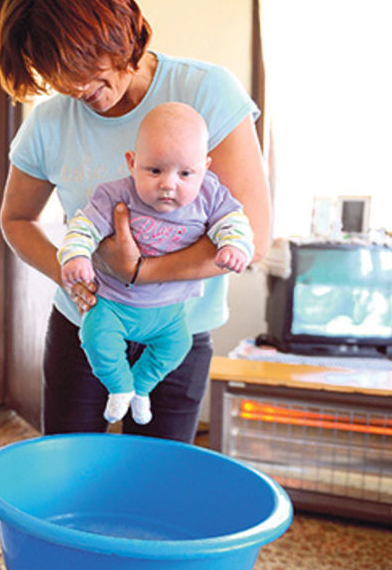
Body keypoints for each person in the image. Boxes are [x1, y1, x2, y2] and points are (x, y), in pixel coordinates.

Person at [0, 0, 271, 440]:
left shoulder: (205, 92)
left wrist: (139, 272)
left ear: (117, 31)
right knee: (69, 470)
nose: (78, 87)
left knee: (158, 487)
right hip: (86, 325)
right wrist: (71, 273)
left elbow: (256, 238)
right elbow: (16, 218)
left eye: (86, 67)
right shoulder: (49, 122)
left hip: (176, 330)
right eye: (57, 74)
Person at [59, 102, 254, 425]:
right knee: (95, 338)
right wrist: (76, 255)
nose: (169, 184)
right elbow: (83, 226)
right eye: (155, 170)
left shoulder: (210, 195)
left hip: (169, 312)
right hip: (114, 305)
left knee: (178, 345)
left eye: (185, 174)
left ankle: (142, 387)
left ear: (204, 168)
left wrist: (234, 244)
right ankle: (120, 387)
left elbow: (236, 221)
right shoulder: (115, 194)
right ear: (132, 163)